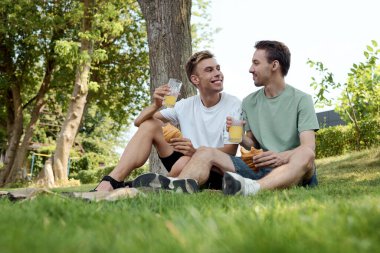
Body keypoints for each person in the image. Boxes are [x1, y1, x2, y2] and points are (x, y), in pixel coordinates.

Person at [165, 40, 319, 195]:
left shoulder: (301, 99)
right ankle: (174, 190)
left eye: (256, 63)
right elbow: (252, 144)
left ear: (274, 66)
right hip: (259, 167)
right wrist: (240, 138)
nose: (251, 69)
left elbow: (308, 147)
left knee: (306, 154)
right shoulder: (249, 102)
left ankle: (253, 188)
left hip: (292, 168)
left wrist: (281, 157)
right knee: (205, 151)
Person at [92, 50, 241, 192]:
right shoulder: (185, 105)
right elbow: (140, 122)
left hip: (213, 168)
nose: (218, 74)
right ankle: (112, 180)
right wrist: (156, 105)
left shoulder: (235, 105)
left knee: (184, 162)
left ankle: (150, 185)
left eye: (218, 68)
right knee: (150, 124)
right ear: (195, 79)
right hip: (182, 160)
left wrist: (196, 151)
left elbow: (231, 151)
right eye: (210, 70)